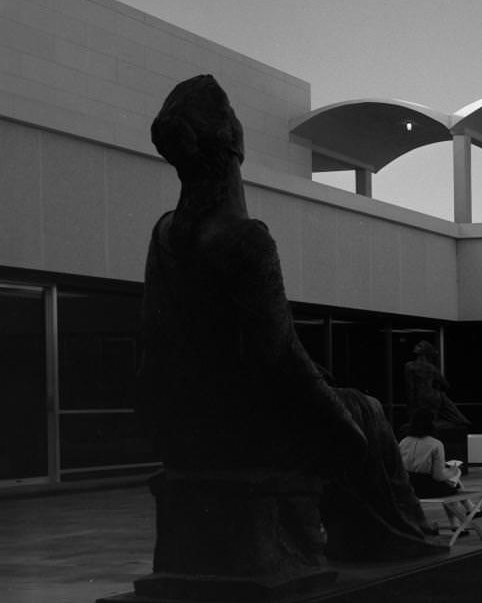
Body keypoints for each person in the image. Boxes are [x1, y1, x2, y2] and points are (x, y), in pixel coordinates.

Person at [137, 74, 440, 563]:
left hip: (186, 427)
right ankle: (394, 538)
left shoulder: (165, 234)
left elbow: (154, 342)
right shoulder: (243, 238)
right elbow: (277, 356)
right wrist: (338, 414)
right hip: (241, 430)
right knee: (366, 412)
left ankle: (379, 533)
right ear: (234, 149)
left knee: (347, 409)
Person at [399, 408, 482, 528]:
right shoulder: (435, 444)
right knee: (454, 476)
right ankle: (468, 510)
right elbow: (438, 476)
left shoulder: (403, 442)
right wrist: (453, 471)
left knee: (450, 482)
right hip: (428, 488)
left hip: (409, 488)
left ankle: (460, 522)